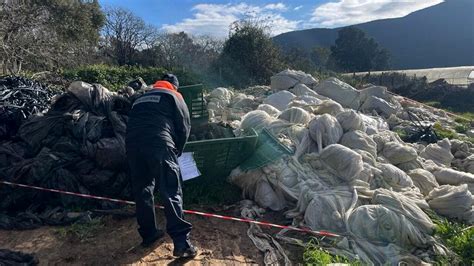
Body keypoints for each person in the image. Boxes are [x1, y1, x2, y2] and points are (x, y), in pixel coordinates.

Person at [125, 73, 197, 258]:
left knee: (143, 190)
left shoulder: (141, 97)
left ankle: (149, 234)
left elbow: (132, 123)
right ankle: (182, 244)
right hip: (159, 143)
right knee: (170, 188)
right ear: (174, 86)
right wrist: (177, 151)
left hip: (132, 145)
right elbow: (184, 127)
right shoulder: (174, 95)